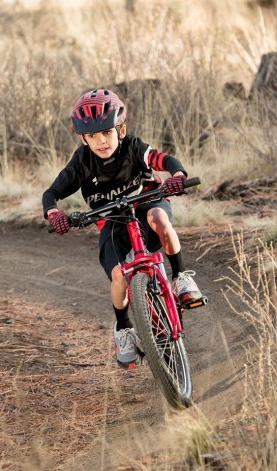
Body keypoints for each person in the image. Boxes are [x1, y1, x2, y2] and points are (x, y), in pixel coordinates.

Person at [42, 88, 204, 369]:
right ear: (83, 139)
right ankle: (124, 328)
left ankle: (180, 278)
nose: (101, 141)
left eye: (106, 132)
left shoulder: (133, 147)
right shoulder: (82, 161)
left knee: (160, 220)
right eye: (92, 136)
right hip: (112, 221)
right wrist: (54, 212)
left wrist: (177, 175)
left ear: (121, 129)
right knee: (118, 276)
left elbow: (163, 160)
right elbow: (52, 192)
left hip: (146, 204)